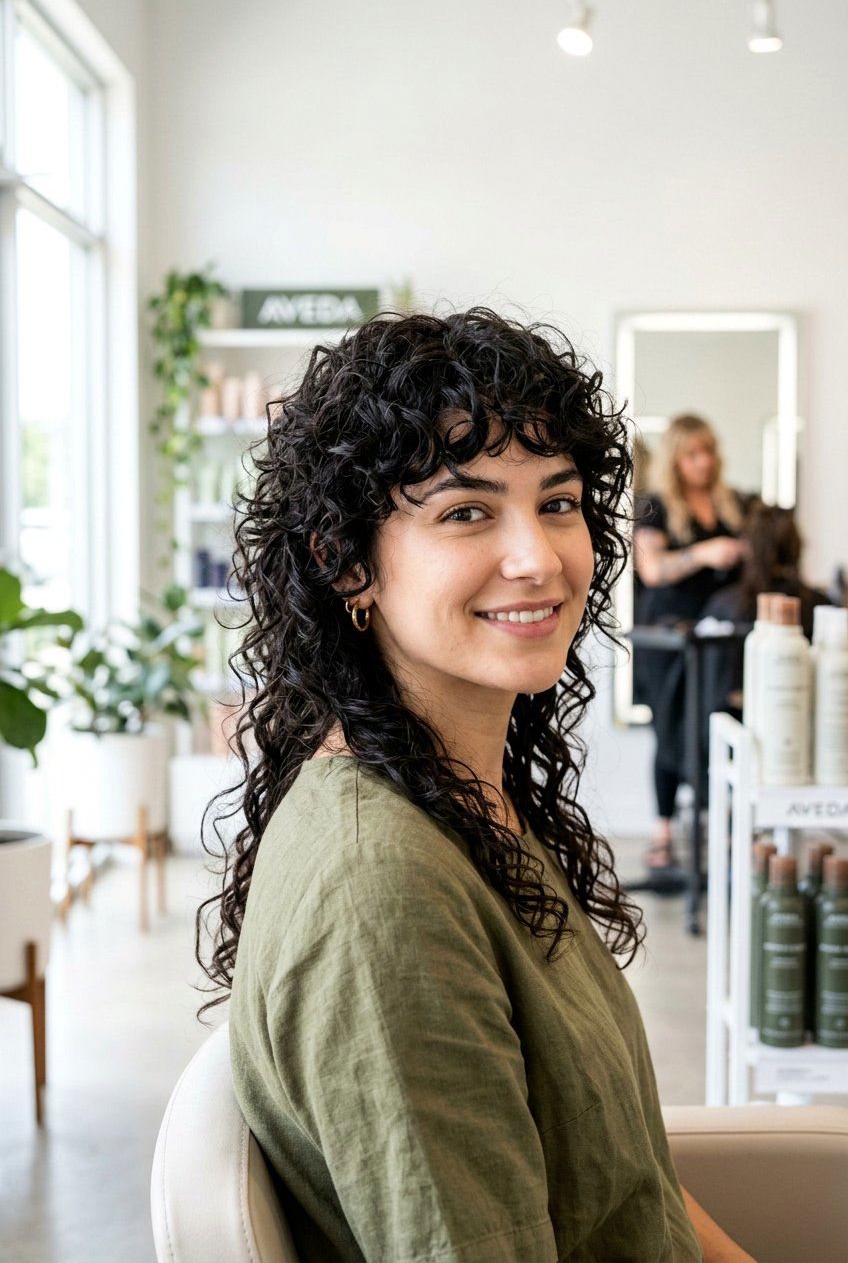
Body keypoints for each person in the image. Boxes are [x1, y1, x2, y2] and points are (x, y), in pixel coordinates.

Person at [198, 310, 755, 1262]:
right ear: (345, 562)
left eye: (559, 501)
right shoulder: (386, 894)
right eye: (466, 511)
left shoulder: (460, 795)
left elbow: (631, 1186)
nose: (539, 557)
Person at [633, 414, 747, 872]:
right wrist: (703, 553)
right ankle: (663, 830)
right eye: (694, 453)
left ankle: (720, 821)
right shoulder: (654, 504)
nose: (705, 461)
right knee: (670, 727)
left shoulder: (732, 504)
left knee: (717, 724)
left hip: (716, 639)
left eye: (710, 451)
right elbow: (653, 571)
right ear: (676, 458)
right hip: (667, 639)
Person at [700, 500, 831, 720]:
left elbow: (709, 692)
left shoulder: (724, 606)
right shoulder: (821, 606)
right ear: (796, 545)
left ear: (748, 546)